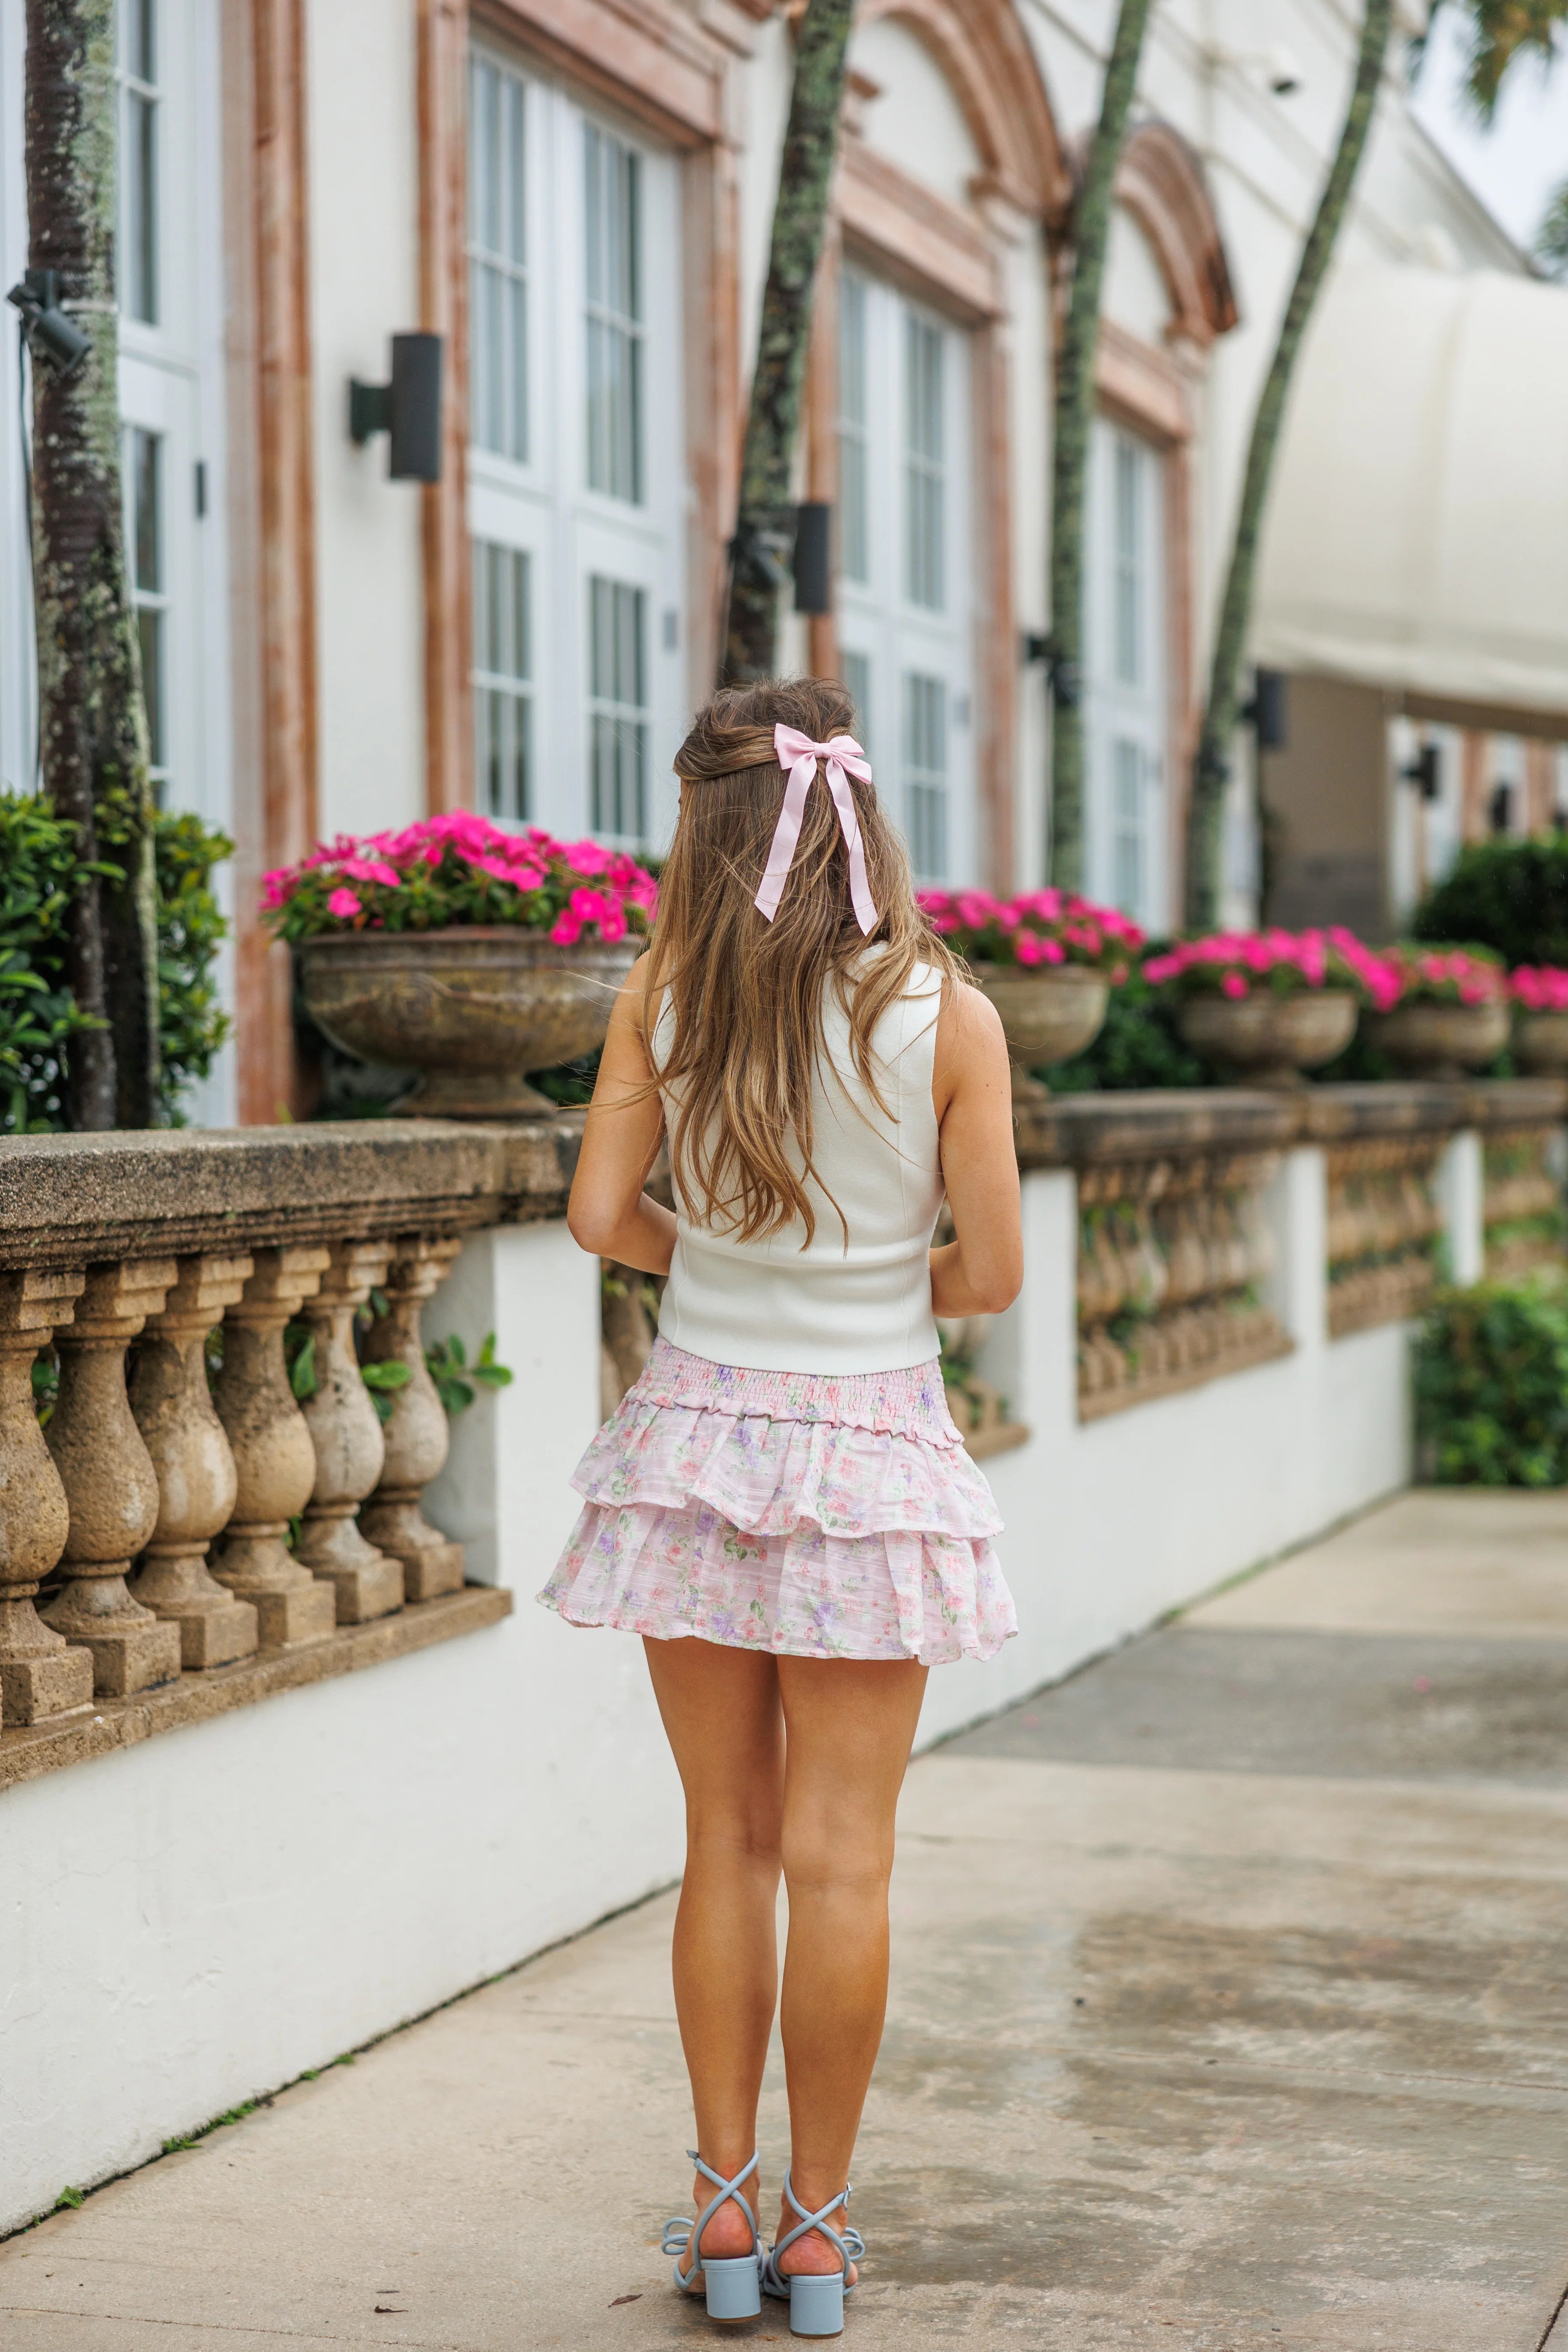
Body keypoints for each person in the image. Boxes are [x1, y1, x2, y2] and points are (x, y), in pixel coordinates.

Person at [539, 676, 1022, 2338]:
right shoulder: (948, 1016)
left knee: (725, 1843)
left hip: (692, 1446)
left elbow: (605, 1215)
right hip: (872, 1458)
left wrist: (738, 1264)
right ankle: (821, 2237)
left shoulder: (664, 998)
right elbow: (999, 1272)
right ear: (860, 814)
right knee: (846, 1863)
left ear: (708, 826)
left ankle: (722, 2214)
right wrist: (863, 1277)